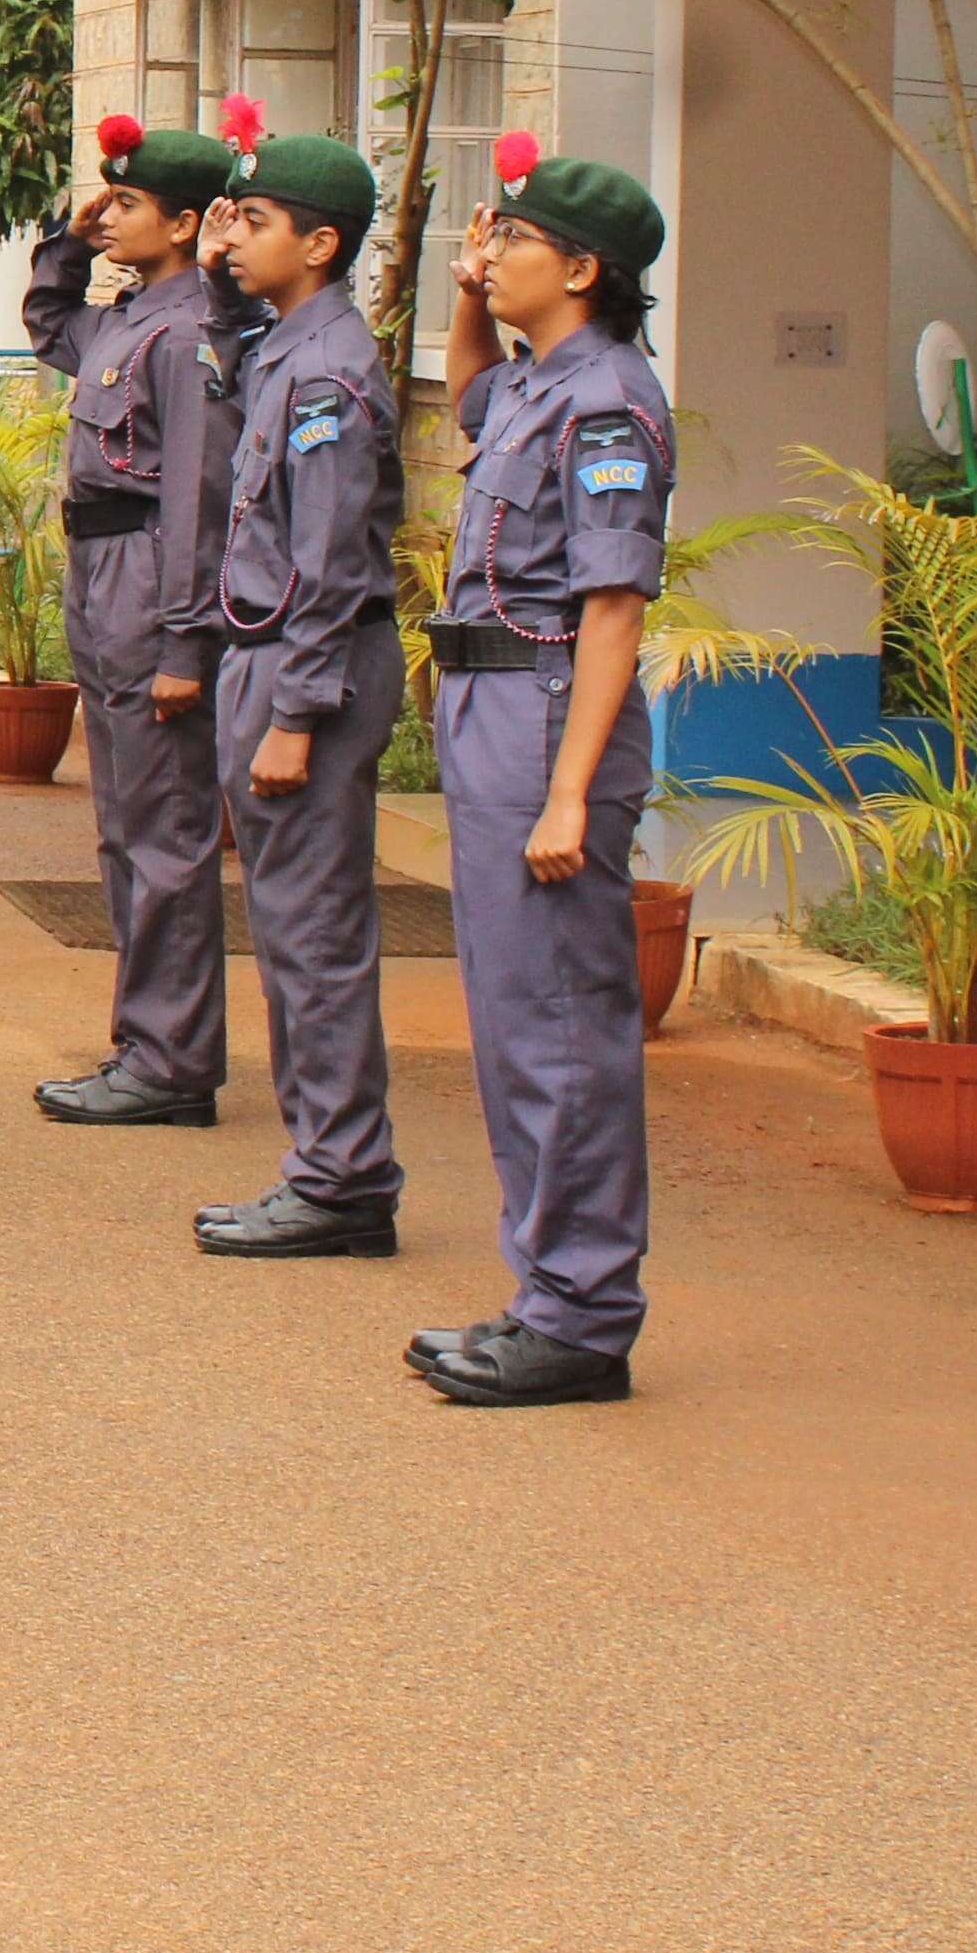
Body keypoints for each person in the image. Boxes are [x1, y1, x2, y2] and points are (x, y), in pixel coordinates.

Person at [410, 136, 677, 1408]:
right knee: (512, 1018)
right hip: (486, 701)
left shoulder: (611, 397)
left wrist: (572, 790)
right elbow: (465, 388)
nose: (491, 251)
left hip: (547, 708)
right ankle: (545, 1292)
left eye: (511, 239)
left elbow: (614, 607)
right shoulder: (534, 383)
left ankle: (581, 1315)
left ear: (581, 266)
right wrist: (465, 287)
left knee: (560, 1024)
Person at [193, 131, 407, 1262]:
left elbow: (327, 558)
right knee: (287, 932)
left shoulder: (326, 374)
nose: (234, 239)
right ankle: (328, 1164)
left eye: (257, 223)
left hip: (307, 667)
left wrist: (295, 712)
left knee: (314, 939)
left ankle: (342, 1180)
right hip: (271, 657)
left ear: (320, 245)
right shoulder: (287, 347)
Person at [20, 104, 251, 1130]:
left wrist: (184, 640)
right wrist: (68, 239)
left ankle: (171, 1059)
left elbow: (200, 494)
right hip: (101, 570)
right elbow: (48, 324)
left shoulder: (193, 330)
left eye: (127, 204)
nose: (107, 216)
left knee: (163, 831)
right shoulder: (128, 312)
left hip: (150, 574)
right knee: (124, 830)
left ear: (189, 222)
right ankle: (147, 1038)